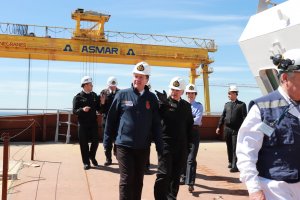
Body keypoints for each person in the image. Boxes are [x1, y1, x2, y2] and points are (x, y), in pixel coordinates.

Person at [236, 49, 300, 200]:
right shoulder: (262, 108)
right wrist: (254, 189)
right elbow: (246, 150)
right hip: (274, 189)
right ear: (285, 78)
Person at [103, 61, 163, 200]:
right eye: (135, 76)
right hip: (124, 145)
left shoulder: (152, 98)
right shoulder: (122, 95)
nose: (137, 79)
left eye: (141, 77)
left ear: (147, 79)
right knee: (126, 179)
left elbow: (156, 124)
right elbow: (110, 120)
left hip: (143, 147)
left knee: (138, 181)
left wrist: (160, 147)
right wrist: (107, 143)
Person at [154, 76, 194, 200]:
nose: (174, 92)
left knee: (176, 175)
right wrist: (162, 106)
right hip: (165, 144)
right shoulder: (163, 103)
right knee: (164, 174)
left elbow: (189, 127)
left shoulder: (186, 106)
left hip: (181, 146)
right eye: (172, 89)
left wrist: (188, 147)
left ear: (182, 92)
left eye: (177, 90)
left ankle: (171, 197)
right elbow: (156, 118)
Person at [216, 85, 247, 172]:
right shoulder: (227, 105)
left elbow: (245, 117)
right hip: (227, 129)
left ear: (235, 94)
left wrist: (245, 129)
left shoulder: (242, 105)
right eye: (228, 93)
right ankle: (230, 162)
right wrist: (219, 126)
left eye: (230, 93)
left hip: (236, 129)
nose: (228, 95)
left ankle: (235, 165)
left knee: (235, 147)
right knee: (229, 146)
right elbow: (223, 116)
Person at [73, 75, 100, 170]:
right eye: (90, 84)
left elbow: (99, 108)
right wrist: (82, 109)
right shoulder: (78, 97)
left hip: (93, 123)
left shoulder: (94, 96)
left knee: (96, 142)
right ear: (85, 85)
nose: (92, 86)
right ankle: (86, 162)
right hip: (83, 124)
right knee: (83, 144)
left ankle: (92, 156)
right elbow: (74, 111)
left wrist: (103, 102)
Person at [180, 83, 203, 193]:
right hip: (184, 134)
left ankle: (190, 183)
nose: (190, 95)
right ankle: (183, 177)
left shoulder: (199, 106)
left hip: (194, 133)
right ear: (186, 94)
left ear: (195, 94)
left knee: (191, 158)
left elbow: (197, 120)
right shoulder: (182, 105)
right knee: (183, 156)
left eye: (192, 93)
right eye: (189, 93)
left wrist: (186, 121)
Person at [99, 76, 120, 166]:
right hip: (106, 120)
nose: (112, 87)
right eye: (111, 86)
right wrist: (102, 103)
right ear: (108, 85)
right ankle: (108, 159)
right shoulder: (103, 93)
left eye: (114, 86)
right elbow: (100, 110)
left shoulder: (120, 93)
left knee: (118, 140)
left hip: (117, 121)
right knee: (107, 141)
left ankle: (117, 152)